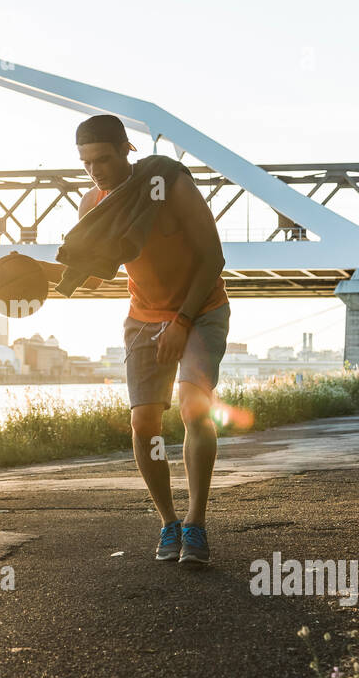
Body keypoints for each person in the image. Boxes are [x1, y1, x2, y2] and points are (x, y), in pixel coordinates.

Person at [39, 115, 229, 565]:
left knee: (192, 406)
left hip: (201, 310)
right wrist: (36, 274)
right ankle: (169, 524)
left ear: (127, 149)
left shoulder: (168, 182)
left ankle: (196, 523)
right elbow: (86, 278)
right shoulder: (93, 204)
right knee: (144, 424)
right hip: (143, 318)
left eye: (103, 159)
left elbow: (213, 257)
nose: (95, 171)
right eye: (86, 163)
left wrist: (182, 321)